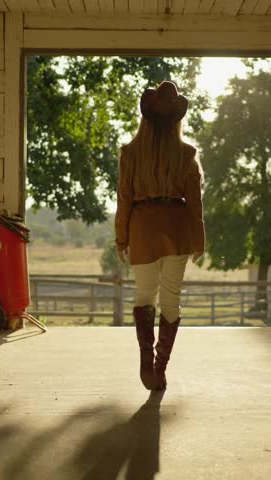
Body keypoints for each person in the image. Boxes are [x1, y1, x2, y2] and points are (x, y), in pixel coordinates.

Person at [115, 80, 205, 391]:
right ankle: (160, 367)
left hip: (141, 229)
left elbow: (124, 199)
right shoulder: (186, 154)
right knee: (171, 299)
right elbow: (195, 204)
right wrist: (199, 239)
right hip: (177, 230)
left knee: (144, 296)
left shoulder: (130, 153)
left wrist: (121, 238)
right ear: (177, 119)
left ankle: (144, 360)